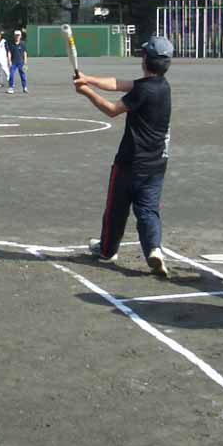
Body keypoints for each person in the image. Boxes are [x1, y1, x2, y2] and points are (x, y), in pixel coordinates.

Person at [75, 36, 174, 278]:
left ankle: (108, 250)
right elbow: (118, 83)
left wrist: (86, 92)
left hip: (130, 162)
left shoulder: (142, 90)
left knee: (115, 210)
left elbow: (111, 110)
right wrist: (88, 79)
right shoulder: (162, 86)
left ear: (146, 60)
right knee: (148, 210)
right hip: (156, 163)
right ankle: (154, 250)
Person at [7, 29, 28, 94]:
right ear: (14, 36)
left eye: (18, 35)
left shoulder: (22, 43)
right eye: (16, 35)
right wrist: (9, 61)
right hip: (13, 62)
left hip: (21, 62)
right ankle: (11, 88)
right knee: (11, 75)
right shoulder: (11, 44)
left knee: (23, 75)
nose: (17, 36)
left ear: (20, 36)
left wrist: (25, 62)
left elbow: (25, 53)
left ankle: (24, 87)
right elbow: (9, 52)